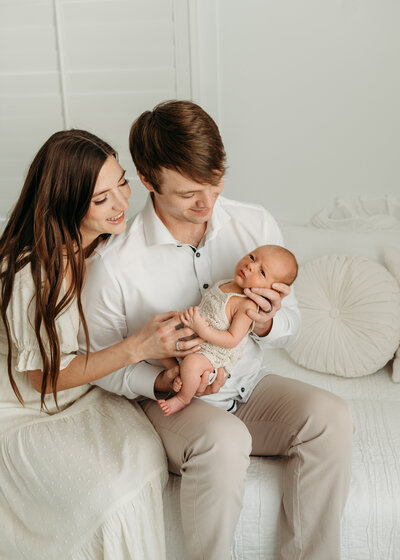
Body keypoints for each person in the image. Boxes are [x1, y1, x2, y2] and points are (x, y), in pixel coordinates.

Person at [81, 100, 353, 560]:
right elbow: (99, 366)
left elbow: (291, 322)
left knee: (331, 416)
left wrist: (265, 322)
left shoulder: (255, 224)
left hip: (248, 383)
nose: (207, 203)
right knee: (226, 441)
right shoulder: (113, 264)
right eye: (189, 193)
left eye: (215, 183)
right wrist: (162, 380)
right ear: (147, 181)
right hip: (174, 402)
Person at [0, 129, 202, 560]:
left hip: (85, 391)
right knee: (107, 494)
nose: (123, 204)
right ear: (67, 204)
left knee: (141, 460)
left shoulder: (104, 242)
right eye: (101, 199)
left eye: (122, 183)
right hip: (24, 408)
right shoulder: (32, 272)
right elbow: (42, 378)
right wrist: (138, 347)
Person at [158, 244, 298, 415]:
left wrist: (201, 329)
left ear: (272, 291)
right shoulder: (226, 283)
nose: (250, 265)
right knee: (161, 341)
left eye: (262, 272)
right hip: (196, 337)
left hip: (214, 353)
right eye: (252, 257)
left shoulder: (247, 306)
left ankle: (183, 398)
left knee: (192, 363)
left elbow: (232, 340)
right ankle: (177, 373)